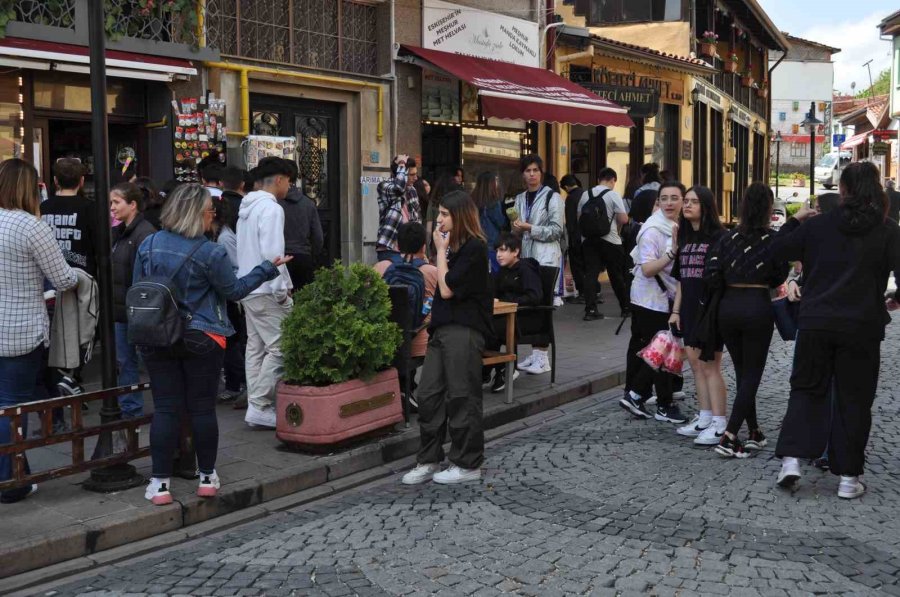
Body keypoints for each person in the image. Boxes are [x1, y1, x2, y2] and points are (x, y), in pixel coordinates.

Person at [134, 184, 289, 505]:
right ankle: (206, 478)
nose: (213, 218)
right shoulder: (211, 251)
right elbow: (234, 290)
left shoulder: (148, 244)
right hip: (203, 336)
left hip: (157, 336)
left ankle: (160, 484)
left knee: (165, 408)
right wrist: (267, 267)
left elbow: (141, 289)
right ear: (197, 214)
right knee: (202, 409)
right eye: (210, 212)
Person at [772, 162, 900, 498]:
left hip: (815, 321)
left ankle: (792, 461)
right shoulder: (888, 230)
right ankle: (847, 479)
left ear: (842, 190)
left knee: (805, 390)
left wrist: (795, 220)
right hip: (861, 326)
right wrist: (896, 297)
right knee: (854, 399)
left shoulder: (818, 226)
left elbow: (778, 250)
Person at [0, 158, 78, 503]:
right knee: (12, 406)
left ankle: (19, 473)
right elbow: (62, 277)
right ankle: (12, 482)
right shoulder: (32, 226)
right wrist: (79, 278)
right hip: (20, 329)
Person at [401, 190, 492, 486]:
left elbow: (447, 289)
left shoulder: (475, 248)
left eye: (443, 214)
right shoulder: (453, 249)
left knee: (462, 396)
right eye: (438, 213)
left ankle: (467, 462)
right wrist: (443, 251)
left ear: (459, 216)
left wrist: (439, 252)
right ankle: (428, 458)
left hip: (464, 330)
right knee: (428, 395)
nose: (438, 220)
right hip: (441, 329)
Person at [704, 182, 789, 459]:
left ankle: (753, 430)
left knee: (743, 371)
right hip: (756, 306)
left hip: (728, 307)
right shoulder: (773, 240)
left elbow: (712, 274)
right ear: (768, 208)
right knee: (752, 373)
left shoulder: (726, 239)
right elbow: (778, 277)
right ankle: (729, 436)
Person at [619, 181, 687, 425]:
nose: (669, 203)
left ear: (682, 201)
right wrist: (672, 253)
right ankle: (652, 399)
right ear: (657, 202)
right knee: (660, 348)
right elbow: (647, 269)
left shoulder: (677, 226)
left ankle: (650, 398)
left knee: (662, 348)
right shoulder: (653, 230)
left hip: (666, 298)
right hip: (648, 300)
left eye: (674, 198)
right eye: (664, 198)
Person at [237, 157, 294, 429]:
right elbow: (273, 256)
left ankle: (256, 405)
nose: (289, 188)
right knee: (281, 347)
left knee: (256, 348)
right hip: (265, 288)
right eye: (290, 181)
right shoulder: (271, 209)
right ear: (280, 179)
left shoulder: (246, 208)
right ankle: (260, 404)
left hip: (248, 286)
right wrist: (282, 291)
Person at [668, 186, 727, 446]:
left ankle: (719, 422)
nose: (687, 205)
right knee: (695, 365)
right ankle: (704, 417)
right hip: (689, 308)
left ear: (706, 206)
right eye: (686, 201)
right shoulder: (684, 238)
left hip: (710, 309)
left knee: (710, 365)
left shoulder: (718, 237)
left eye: (694, 201)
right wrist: (676, 310)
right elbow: (681, 279)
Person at [373, 222, 438, 406]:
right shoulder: (432, 272)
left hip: (386, 341)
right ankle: (406, 389)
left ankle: (402, 389)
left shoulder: (381, 267)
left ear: (397, 245)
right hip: (419, 343)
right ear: (423, 246)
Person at [513, 154, 564, 374]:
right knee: (531, 305)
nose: (532, 174)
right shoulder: (519, 198)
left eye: (535, 170)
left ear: (541, 172)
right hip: (526, 257)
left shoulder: (553, 197)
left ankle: (543, 356)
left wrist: (529, 228)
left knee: (543, 305)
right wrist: (517, 228)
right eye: (528, 171)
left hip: (545, 257)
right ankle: (535, 354)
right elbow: (517, 227)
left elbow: (556, 230)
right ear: (523, 174)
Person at [110, 182, 156, 418]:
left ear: (133, 204)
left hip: (137, 308)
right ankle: (130, 407)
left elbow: (148, 275)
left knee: (146, 359)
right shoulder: (121, 232)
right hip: (122, 308)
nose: (112, 208)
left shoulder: (144, 233)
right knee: (125, 360)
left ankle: (161, 402)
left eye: (116, 202)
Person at [487, 233, 541, 393]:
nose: (498, 255)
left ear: (515, 251)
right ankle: (497, 369)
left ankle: (504, 368)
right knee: (482, 327)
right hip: (506, 315)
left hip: (525, 318)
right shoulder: (502, 271)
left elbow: (534, 296)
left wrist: (510, 302)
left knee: (489, 329)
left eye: (503, 250)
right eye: (497, 251)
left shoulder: (526, 270)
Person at [580, 168, 630, 320]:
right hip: (610, 240)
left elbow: (579, 217)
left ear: (599, 179)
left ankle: (590, 310)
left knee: (591, 274)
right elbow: (623, 219)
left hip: (588, 240)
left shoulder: (585, 195)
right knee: (616, 274)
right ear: (612, 180)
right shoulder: (613, 194)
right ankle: (625, 307)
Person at [212, 195, 247, 406]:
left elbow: (236, 266)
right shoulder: (217, 235)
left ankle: (237, 384)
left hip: (230, 299)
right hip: (225, 297)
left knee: (232, 343)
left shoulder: (224, 238)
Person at [280, 160, 324, 289]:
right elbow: (318, 237)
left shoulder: (273, 203)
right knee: (304, 301)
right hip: (303, 257)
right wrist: (312, 255)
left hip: (280, 258)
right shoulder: (308, 204)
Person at [376, 155, 420, 262]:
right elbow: (398, 189)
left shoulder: (412, 190)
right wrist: (401, 164)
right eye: (412, 175)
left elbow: (416, 219)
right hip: (389, 247)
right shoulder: (384, 186)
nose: (416, 178)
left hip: (408, 249)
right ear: (400, 174)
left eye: (416, 174)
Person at [472, 172, 506, 273]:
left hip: (475, 245)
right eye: (495, 181)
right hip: (491, 245)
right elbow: (500, 222)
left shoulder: (472, 200)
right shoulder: (494, 202)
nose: (497, 183)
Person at [560, 174, 586, 303]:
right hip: (588, 236)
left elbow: (570, 222)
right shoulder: (586, 193)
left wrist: (569, 239)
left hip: (576, 237)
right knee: (588, 265)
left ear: (566, 187)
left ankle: (582, 292)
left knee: (577, 266)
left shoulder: (570, 198)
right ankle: (593, 292)